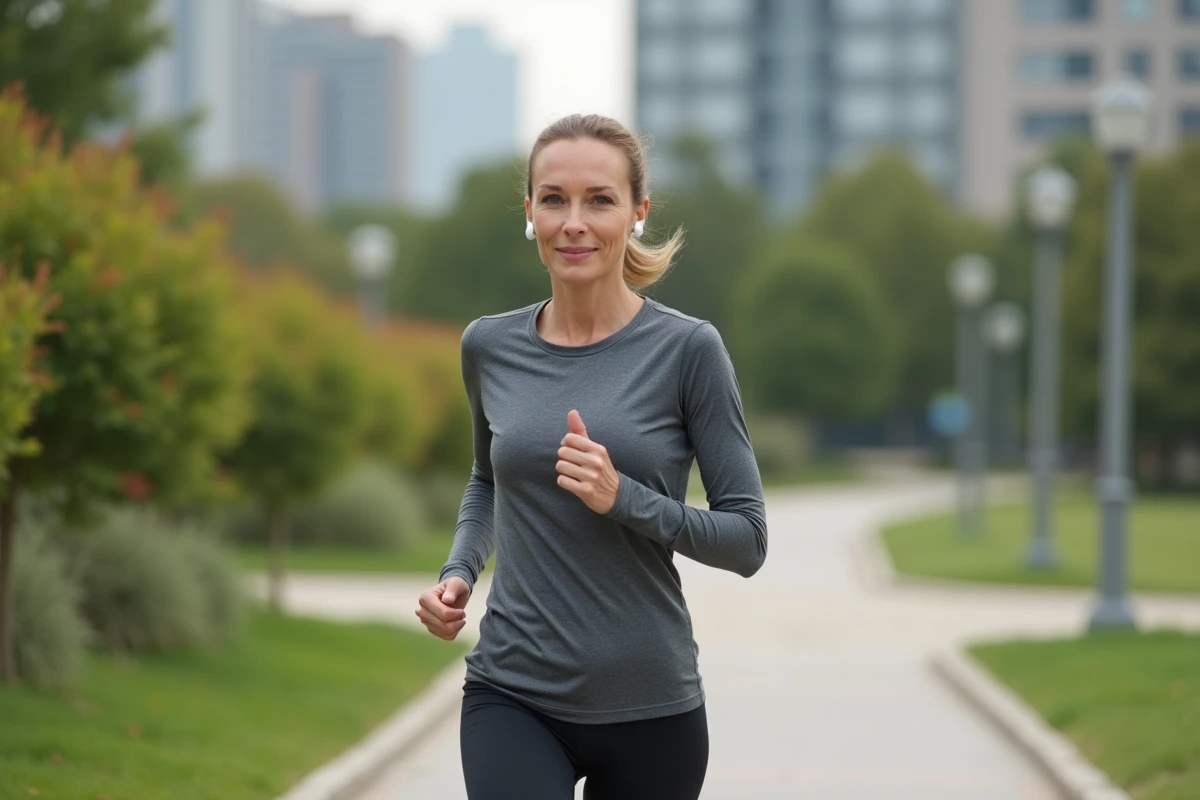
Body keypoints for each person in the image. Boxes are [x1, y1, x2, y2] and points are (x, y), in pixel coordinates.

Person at [415, 113, 767, 800]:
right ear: (530, 213)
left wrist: (624, 498)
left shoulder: (689, 351)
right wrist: (458, 573)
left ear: (637, 213)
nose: (574, 223)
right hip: (512, 693)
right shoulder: (488, 346)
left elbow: (747, 540)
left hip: (652, 709)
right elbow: (488, 480)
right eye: (554, 199)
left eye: (599, 200)